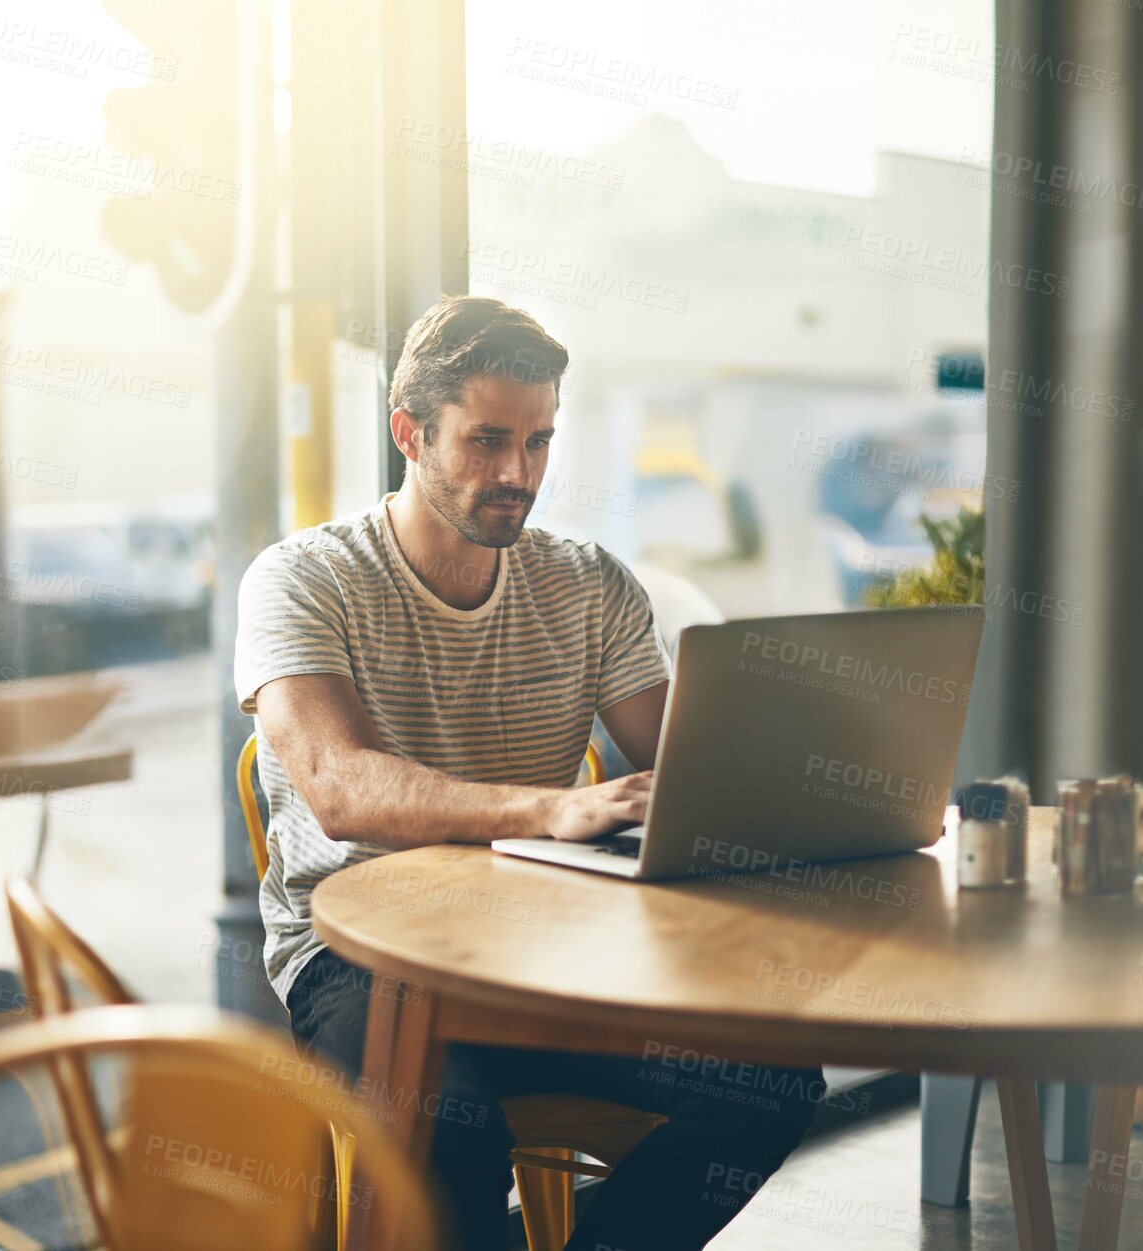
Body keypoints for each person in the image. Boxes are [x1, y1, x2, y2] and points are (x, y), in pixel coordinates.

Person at [234, 295, 822, 1250]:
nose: (518, 474)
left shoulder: (588, 584)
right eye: (487, 441)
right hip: (360, 960)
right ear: (410, 434)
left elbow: (682, 777)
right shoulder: (303, 578)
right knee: (449, 1136)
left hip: (543, 956)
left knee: (768, 1085)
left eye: (539, 442)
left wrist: (802, 767)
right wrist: (553, 808)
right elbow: (340, 790)